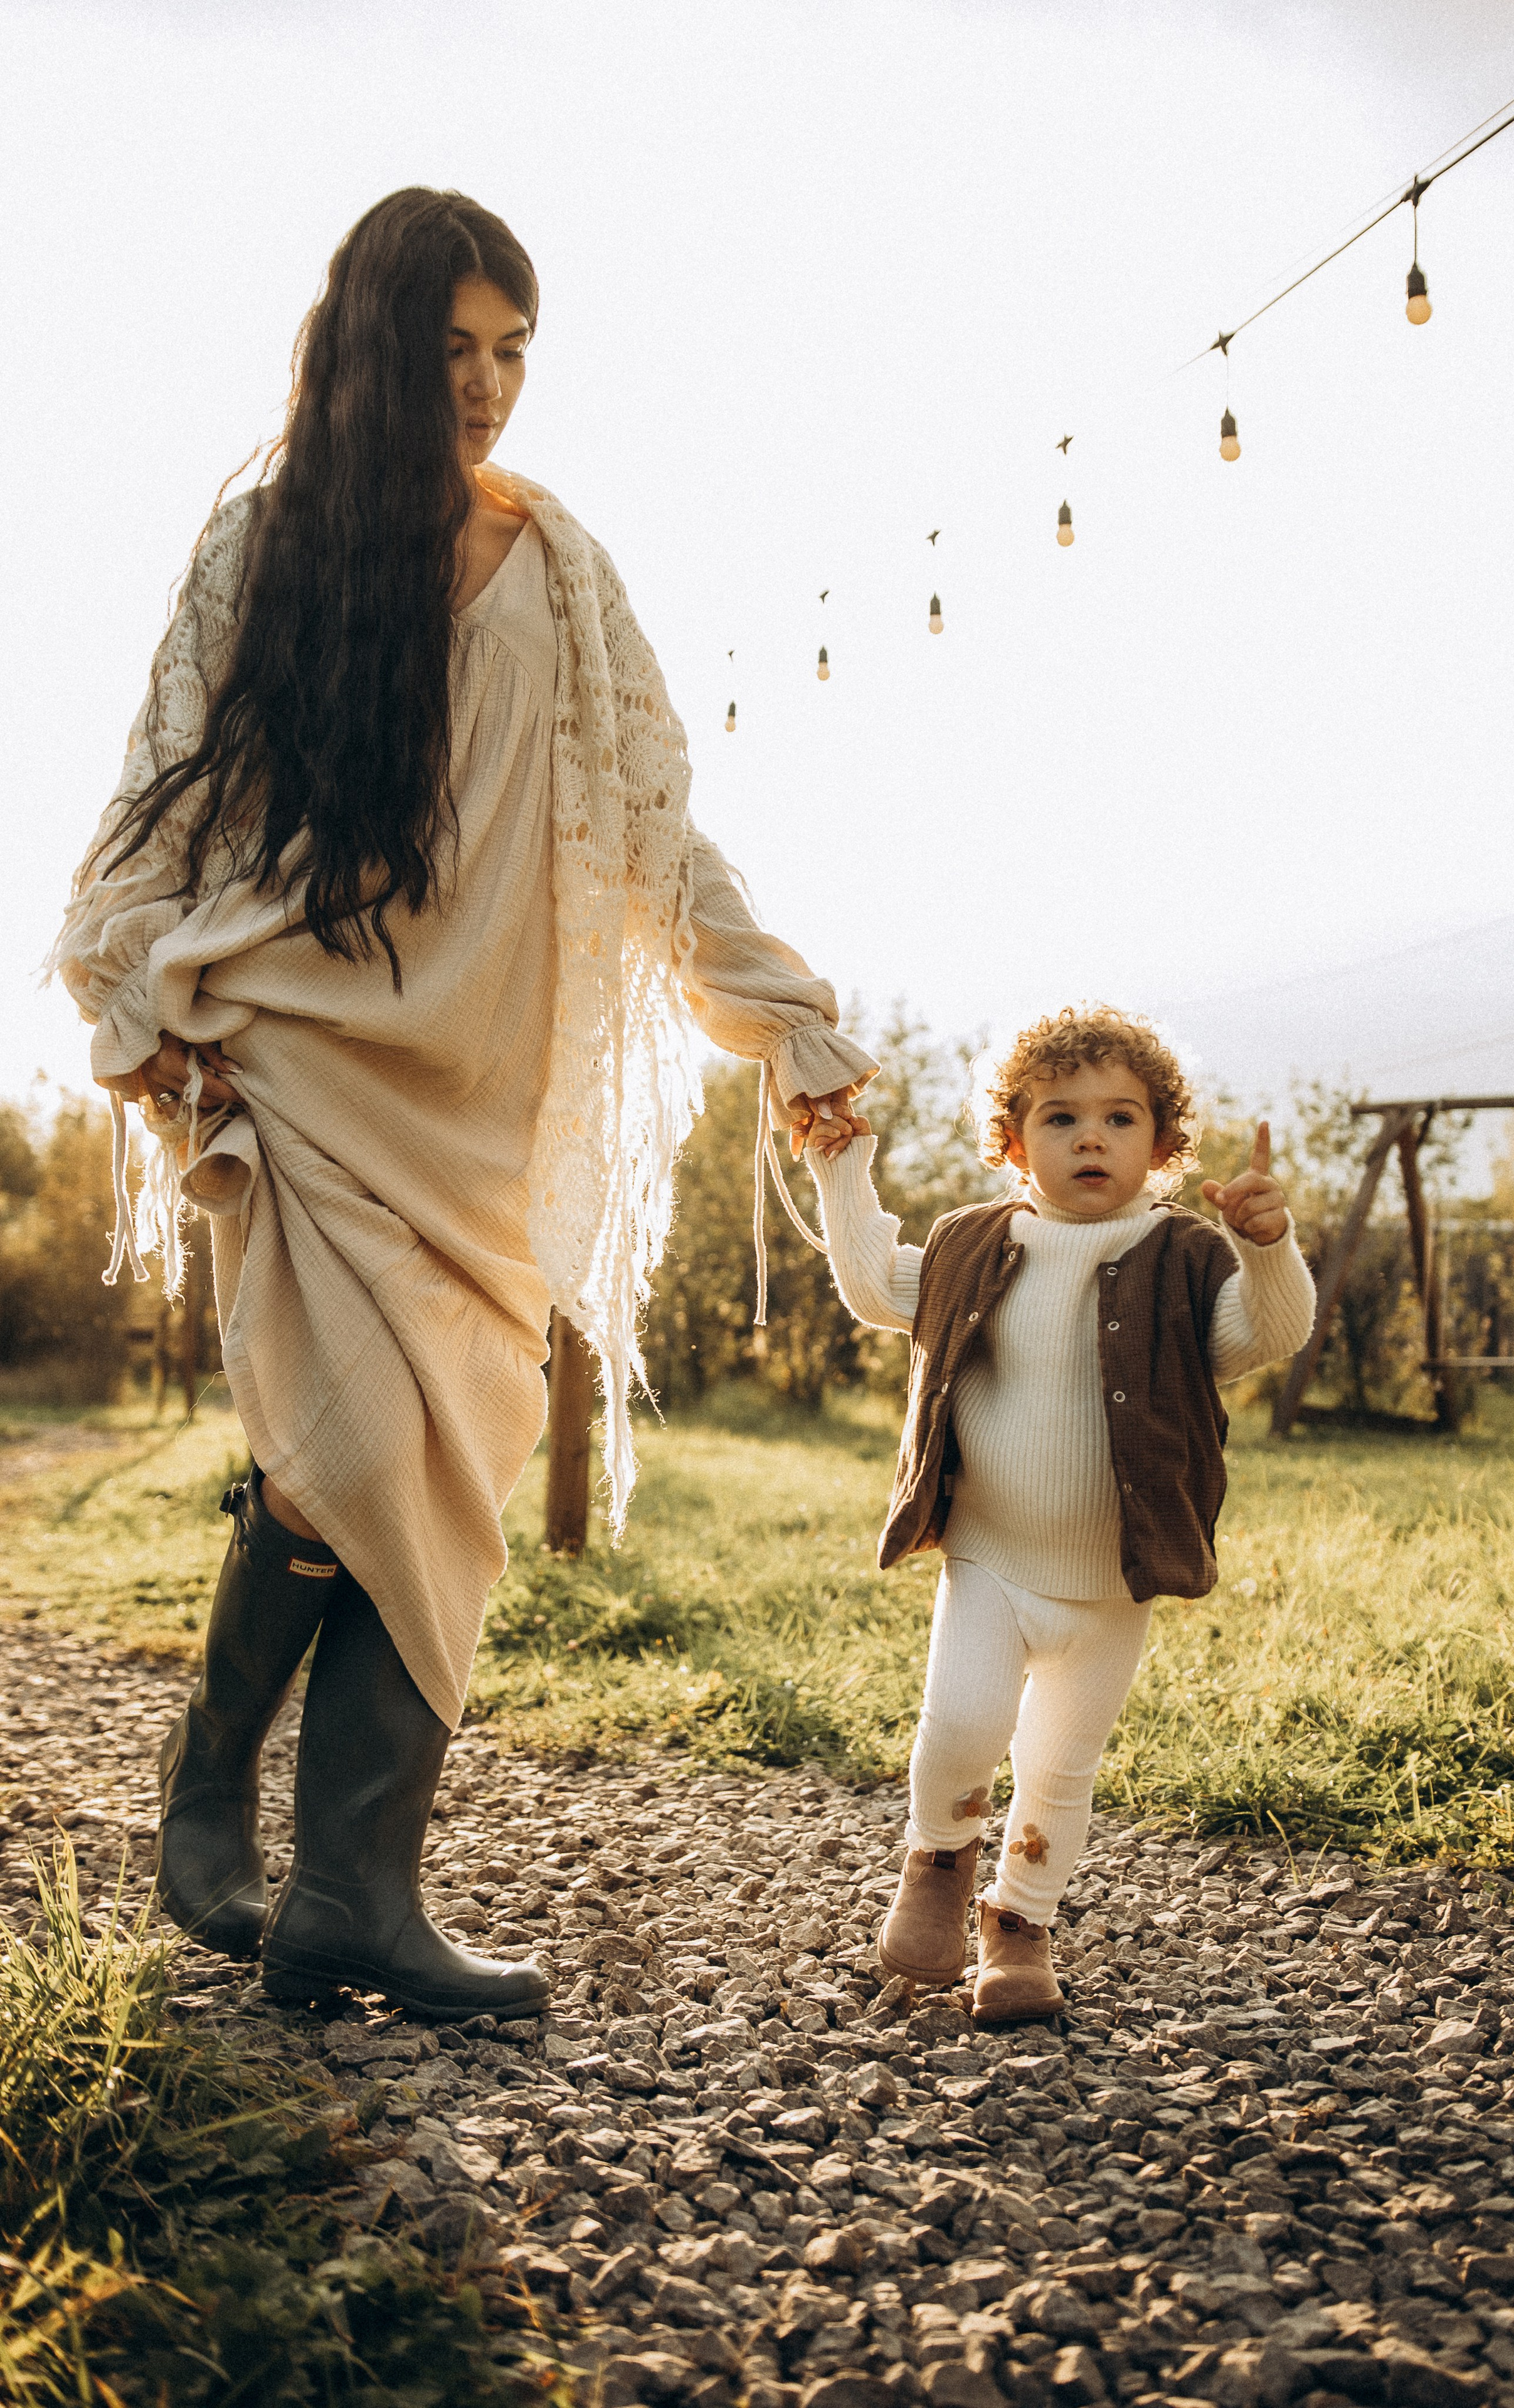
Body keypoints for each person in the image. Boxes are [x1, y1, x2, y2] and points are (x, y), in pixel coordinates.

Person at [50, 189, 874, 2022]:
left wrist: (782, 1017)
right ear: (374, 352)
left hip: (487, 1105)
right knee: (337, 1450)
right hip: (308, 1061)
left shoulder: (562, 566)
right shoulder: (264, 543)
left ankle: (354, 1895)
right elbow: (164, 783)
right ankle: (210, 1802)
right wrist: (124, 994)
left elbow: (654, 831)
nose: (489, 386)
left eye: (513, 352)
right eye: (452, 351)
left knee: (444, 1478)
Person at [800, 1005, 1315, 2023]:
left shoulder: (1185, 1257)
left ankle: (1021, 1928)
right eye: (1061, 1117)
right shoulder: (974, 1245)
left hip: (1114, 1580)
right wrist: (841, 1168)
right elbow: (870, 1285)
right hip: (990, 1557)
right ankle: (939, 1861)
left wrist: (1268, 1245)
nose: (1091, 1139)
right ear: (1011, 1143)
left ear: (1163, 1146)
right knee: (962, 1723)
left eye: (1121, 1119)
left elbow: (1267, 1333)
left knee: (1058, 1768)